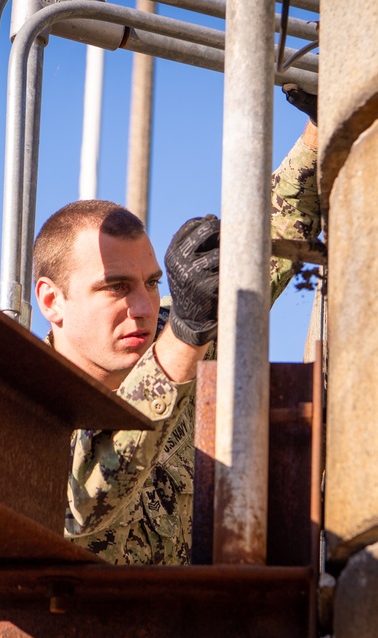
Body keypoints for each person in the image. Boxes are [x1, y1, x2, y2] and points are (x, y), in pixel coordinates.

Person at [34, 93, 320, 565]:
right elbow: (82, 509)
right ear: (52, 301)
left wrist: (318, 123)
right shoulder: (22, 401)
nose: (144, 308)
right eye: (115, 287)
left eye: (150, 283)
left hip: (207, 625)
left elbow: (277, 233)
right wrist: (186, 336)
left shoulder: (180, 326)